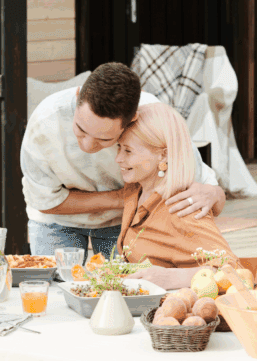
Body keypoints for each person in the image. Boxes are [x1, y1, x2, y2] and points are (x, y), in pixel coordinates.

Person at [20, 63, 225, 260]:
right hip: (57, 220)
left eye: (105, 139)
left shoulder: (153, 118)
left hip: (125, 219)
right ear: (77, 96)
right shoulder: (45, 120)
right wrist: (126, 198)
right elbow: (45, 201)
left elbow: (206, 186)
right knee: (55, 285)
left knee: (123, 287)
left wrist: (212, 193)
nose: (88, 146)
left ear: (132, 119)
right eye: (80, 130)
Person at [115, 103, 239, 290]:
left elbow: (234, 272)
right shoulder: (134, 191)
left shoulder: (180, 208)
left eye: (128, 151)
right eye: (118, 147)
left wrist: (170, 277)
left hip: (173, 312)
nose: (118, 158)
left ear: (163, 155)